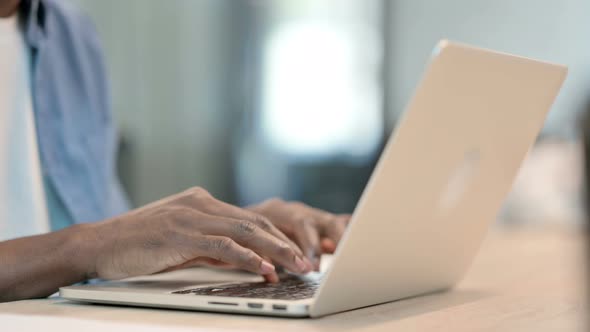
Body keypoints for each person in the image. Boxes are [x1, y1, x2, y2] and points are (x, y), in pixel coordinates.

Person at [0, 0, 349, 302]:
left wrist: (219, 235)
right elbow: (93, 246)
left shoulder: (70, 35)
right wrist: (90, 245)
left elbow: (105, 246)